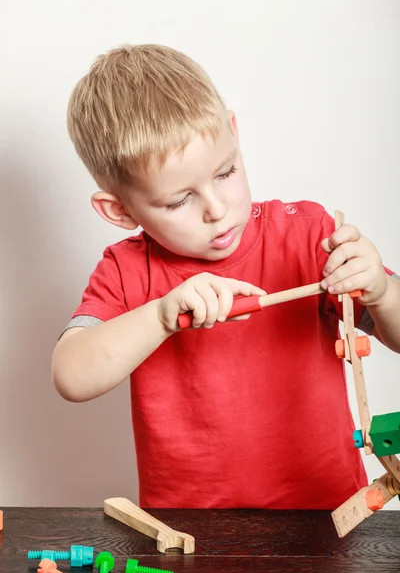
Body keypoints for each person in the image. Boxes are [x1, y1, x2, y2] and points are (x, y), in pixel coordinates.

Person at [52, 44, 400, 509]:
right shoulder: (127, 269)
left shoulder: (307, 234)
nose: (217, 211)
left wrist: (379, 289)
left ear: (235, 135)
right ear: (118, 210)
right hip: (191, 532)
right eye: (178, 201)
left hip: (330, 512)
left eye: (226, 172)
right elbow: (72, 376)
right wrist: (159, 316)